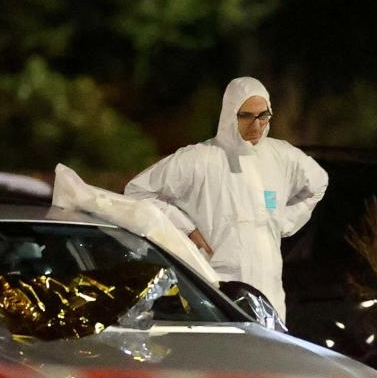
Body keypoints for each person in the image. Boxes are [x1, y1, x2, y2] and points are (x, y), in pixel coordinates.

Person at [124, 76, 328, 320]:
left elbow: (318, 183)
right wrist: (185, 227)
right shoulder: (199, 159)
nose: (257, 125)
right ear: (231, 114)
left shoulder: (281, 157)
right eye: (247, 116)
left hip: (270, 297)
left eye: (263, 115)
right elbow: (137, 192)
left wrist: (284, 221)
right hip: (216, 295)